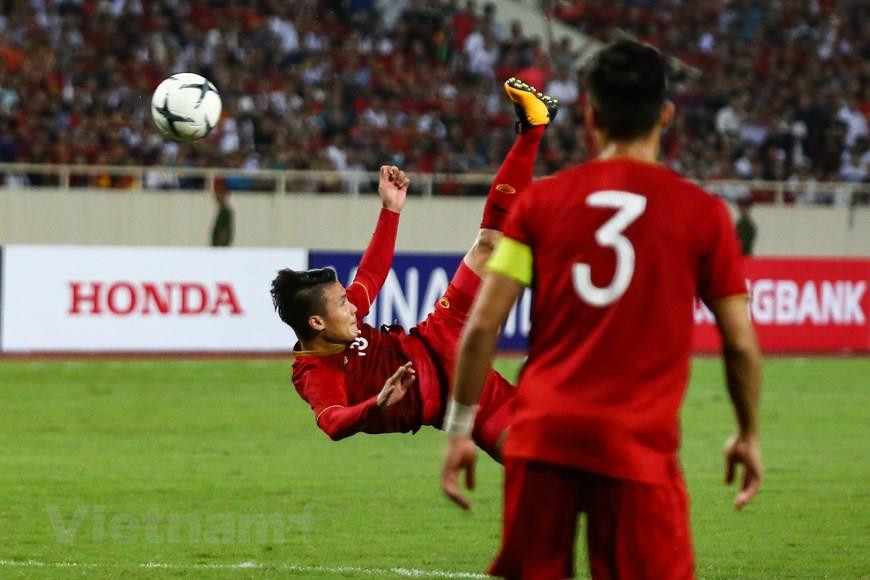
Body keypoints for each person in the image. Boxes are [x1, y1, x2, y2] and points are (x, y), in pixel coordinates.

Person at [441, 40, 763, 579]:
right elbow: (739, 342)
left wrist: (460, 428)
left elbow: (482, 327)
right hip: (638, 450)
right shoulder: (704, 216)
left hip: (542, 440)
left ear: (590, 116)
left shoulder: (539, 204)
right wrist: (748, 433)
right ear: (666, 114)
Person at [270, 79, 558, 460]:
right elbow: (334, 422)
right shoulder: (317, 373)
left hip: (439, 334)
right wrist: (379, 402)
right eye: (342, 304)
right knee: (540, 465)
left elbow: (370, 276)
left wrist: (390, 209)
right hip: (456, 398)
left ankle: (532, 129)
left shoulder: (342, 318)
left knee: (488, 244)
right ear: (317, 323)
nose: (353, 306)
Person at [211, 179, 234, 247]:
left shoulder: (225, 211)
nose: (216, 196)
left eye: (219, 193)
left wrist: (219, 248)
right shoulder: (222, 210)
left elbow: (224, 232)